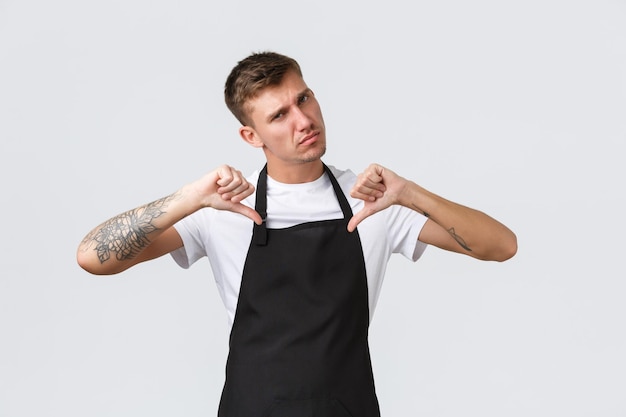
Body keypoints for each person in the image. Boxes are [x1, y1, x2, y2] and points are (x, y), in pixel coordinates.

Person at [77, 51, 517, 416]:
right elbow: (93, 257)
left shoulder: (374, 202)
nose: (303, 119)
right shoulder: (221, 210)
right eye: (280, 115)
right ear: (251, 135)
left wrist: (410, 194)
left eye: (304, 99)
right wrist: (188, 197)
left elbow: (502, 246)